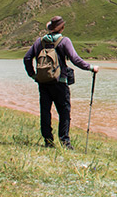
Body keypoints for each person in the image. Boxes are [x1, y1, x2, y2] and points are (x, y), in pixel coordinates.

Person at [24, 16, 99, 149]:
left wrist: (33, 75)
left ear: (49, 28)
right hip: (60, 82)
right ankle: (65, 142)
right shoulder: (64, 41)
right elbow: (75, 59)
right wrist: (90, 67)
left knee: (45, 111)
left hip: (43, 82)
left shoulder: (39, 41)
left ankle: (48, 141)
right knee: (64, 112)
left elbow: (27, 58)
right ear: (62, 28)